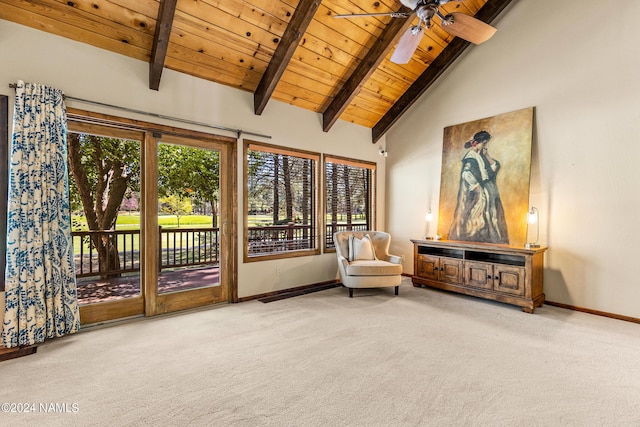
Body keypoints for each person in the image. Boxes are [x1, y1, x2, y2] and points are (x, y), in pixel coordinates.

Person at [448, 130, 509, 244]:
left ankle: (486, 238)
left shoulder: (480, 156)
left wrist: (487, 155)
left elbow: (494, 168)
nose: (484, 147)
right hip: (477, 194)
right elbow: (466, 174)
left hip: (486, 192)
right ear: (478, 143)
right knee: (476, 217)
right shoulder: (471, 157)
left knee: (488, 216)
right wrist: (476, 186)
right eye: (484, 144)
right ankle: (475, 237)